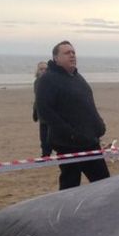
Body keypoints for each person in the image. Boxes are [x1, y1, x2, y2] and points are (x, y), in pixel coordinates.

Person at [35, 41, 110, 190]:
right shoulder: (48, 79)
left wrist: (99, 125)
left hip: (90, 142)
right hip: (68, 144)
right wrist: (71, 134)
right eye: (67, 53)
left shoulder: (77, 77)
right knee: (70, 186)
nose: (72, 55)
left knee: (104, 183)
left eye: (73, 52)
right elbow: (45, 112)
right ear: (56, 58)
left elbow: (88, 104)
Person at [32, 61, 50, 157]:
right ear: (37, 71)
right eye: (41, 69)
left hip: (51, 113)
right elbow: (37, 99)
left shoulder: (50, 81)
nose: (43, 71)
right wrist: (35, 111)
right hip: (41, 114)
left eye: (45, 69)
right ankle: (45, 154)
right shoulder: (37, 82)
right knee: (43, 136)